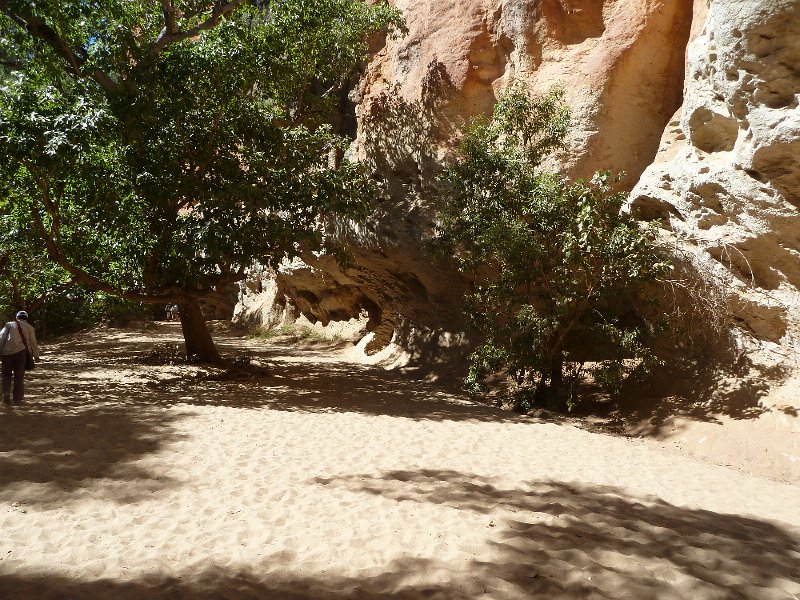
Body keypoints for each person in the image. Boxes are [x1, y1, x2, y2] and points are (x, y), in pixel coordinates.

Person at [0, 310, 40, 405]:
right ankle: (18, 399)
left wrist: (0, 350)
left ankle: (6, 394)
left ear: (17, 317)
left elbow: (1, 337)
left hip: (7, 353)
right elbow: (33, 342)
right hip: (21, 353)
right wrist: (36, 355)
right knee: (19, 376)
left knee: (6, 374)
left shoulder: (9, 325)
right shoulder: (29, 327)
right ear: (26, 318)